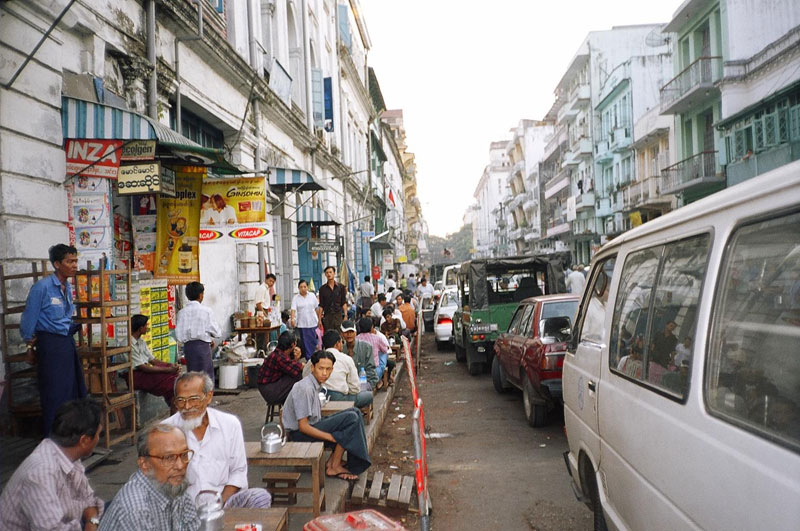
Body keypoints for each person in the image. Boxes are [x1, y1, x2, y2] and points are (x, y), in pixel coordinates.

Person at [164, 372, 271, 508]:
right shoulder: (165, 431)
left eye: (194, 399)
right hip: (182, 508)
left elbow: (238, 471)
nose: (187, 406)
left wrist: (218, 504)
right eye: (181, 400)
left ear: (208, 397)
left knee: (260, 497)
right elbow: (159, 481)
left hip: (223, 502)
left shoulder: (229, 424)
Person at [0, 398, 104, 531]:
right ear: (84, 440)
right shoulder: (40, 472)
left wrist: (92, 522)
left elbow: (91, 503)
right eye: (98, 434)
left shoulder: (69, 455)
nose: (98, 439)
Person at [20, 243, 87, 435]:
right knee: (54, 394)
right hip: (50, 345)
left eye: (75, 261)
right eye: (69, 261)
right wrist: (29, 348)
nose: (74, 265)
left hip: (66, 343)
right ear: (57, 264)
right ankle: (53, 439)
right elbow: (28, 321)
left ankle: (70, 437)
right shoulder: (42, 288)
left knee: (72, 392)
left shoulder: (67, 288)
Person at [283, 350, 371, 480]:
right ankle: (334, 466)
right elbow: (303, 427)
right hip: (300, 435)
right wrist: (331, 437)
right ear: (312, 367)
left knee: (355, 412)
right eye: (321, 368)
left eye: (328, 369)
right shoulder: (305, 388)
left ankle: (333, 462)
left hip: (313, 426)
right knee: (351, 419)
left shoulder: (315, 385)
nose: (324, 373)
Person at [98, 424, 199, 530]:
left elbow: (193, 526)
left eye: (184, 454)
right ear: (145, 465)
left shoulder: (174, 483)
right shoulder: (136, 510)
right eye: (169, 457)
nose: (181, 465)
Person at [303, 330, 372, 407]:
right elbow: (355, 388)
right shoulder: (346, 359)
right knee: (368, 395)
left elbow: (304, 376)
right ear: (337, 344)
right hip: (339, 399)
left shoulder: (312, 360)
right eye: (341, 342)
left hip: (318, 397)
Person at [130, 314, 181, 414]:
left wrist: (170, 365)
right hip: (134, 376)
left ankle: (173, 406)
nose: (147, 328)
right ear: (140, 328)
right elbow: (144, 368)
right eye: (145, 326)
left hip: (143, 371)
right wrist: (167, 370)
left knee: (172, 376)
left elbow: (153, 360)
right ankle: (173, 408)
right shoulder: (130, 344)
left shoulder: (141, 342)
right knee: (170, 383)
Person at [175, 281, 221, 381]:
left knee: (192, 376)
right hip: (203, 347)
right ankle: (206, 396)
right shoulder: (206, 311)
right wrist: (207, 337)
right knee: (206, 378)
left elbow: (179, 334)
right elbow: (217, 332)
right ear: (200, 295)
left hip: (189, 348)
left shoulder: (182, 313)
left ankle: (194, 395)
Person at [257, 331, 304, 406]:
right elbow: (299, 367)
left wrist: (296, 359)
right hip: (269, 391)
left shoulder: (279, 353)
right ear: (293, 344)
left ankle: (295, 402)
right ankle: (298, 403)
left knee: (295, 374)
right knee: (298, 375)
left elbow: (290, 367)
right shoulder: (279, 357)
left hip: (268, 387)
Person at [340, 320, 378, 389]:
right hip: (345, 385)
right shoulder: (340, 350)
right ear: (342, 334)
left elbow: (371, 370)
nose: (349, 334)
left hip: (363, 383)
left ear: (355, 333)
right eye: (346, 332)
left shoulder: (366, 347)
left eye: (351, 332)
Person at [291, 279, 321, 360]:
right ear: (298, 288)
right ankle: (309, 359)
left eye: (304, 287)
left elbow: (316, 308)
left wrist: (319, 319)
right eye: (301, 287)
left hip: (312, 323)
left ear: (307, 287)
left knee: (313, 342)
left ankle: (313, 357)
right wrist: (292, 319)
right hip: (302, 324)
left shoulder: (312, 296)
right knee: (305, 343)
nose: (303, 289)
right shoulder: (296, 298)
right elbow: (293, 310)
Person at [319, 265, 348, 332]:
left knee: (339, 334)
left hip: (338, 315)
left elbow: (343, 302)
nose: (329, 274)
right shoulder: (322, 289)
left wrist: (345, 315)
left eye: (330, 272)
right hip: (327, 316)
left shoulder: (341, 287)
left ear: (334, 273)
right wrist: (319, 319)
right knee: (329, 335)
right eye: (327, 273)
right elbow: (321, 305)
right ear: (325, 275)